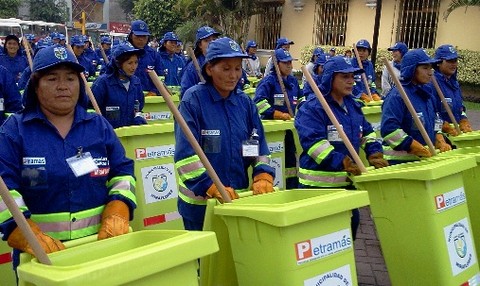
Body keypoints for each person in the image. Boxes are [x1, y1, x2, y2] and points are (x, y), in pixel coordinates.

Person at [0, 45, 137, 275]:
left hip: (99, 250)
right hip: (40, 258)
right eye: (52, 79)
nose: (63, 86)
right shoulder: (15, 130)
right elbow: (3, 188)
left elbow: (122, 172)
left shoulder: (99, 126)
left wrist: (119, 208)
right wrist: (24, 233)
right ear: (35, 85)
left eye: (71, 78)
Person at [174, 37, 275, 231]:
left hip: (237, 199)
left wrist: (262, 174)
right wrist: (210, 186)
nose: (233, 75)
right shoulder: (192, 101)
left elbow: (255, 143)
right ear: (210, 69)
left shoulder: (244, 103)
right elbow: (186, 156)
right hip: (200, 205)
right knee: (205, 261)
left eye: (237, 68)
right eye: (226, 68)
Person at [295, 56, 388, 240]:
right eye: (345, 77)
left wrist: (374, 152)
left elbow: (367, 132)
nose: (351, 81)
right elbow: (314, 144)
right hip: (318, 189)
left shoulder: (353, 106)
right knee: (321, 238)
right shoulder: (313, 108)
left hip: (347, 187)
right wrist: (342, 161)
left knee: (350, 229)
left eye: (352, 76)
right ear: (330, 78)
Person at [381, 49, 452, 165]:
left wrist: (440, 140)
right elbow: (389, 130)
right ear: (412, 69)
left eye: (430, 68)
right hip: (400, 165)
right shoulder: (397, 96)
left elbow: (436, 120)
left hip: (424, 162)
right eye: (425, 68)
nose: (430, 72)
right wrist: (413, 146)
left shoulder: (427, 93)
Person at [253, 48, 300, 189]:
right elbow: (259, 102)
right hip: (274, 132)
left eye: (290, 62)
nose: (289, 65)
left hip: (290, 129)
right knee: (277, 159)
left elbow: (302, 97)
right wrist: (275, 113)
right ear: (277, 64)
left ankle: (291, 187)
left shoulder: (292, 81)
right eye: (285, 63)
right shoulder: (269, 82)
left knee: (291, 160)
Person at [91, 42, 147, 128]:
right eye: (130, 63)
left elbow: (139, 107)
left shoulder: (136, 82)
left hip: (131, 136)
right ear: (118, 63)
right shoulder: (103, 83)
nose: (134, 67)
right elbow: (90, 108)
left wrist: (138, 117)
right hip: (109, 136)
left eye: (136, 62)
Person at [434, 44, 473, 135]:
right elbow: (431, 113)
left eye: (455, 60)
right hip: (439, 137)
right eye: (449, 61)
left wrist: (464, 120)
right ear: (438, 62)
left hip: (456, 135)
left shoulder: (455, 84)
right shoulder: (432, 84)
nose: (454, 64)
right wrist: (443, 128)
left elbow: (460, 108)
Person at [180, 25, 221, 97]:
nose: (211, 43)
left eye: (214, 40)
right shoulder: (192, 67)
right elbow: (185, 93)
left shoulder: (223, 62)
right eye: (207, 40)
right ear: (200, 45)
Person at [127, 20, 164, 96]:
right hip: (126, 96)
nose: (141, 39)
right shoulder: (123, 53)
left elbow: (160, 77)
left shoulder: (154, 55)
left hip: (149, 98)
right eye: (138, 36)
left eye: (144, 36)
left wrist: (154, 91)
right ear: (131, 35)